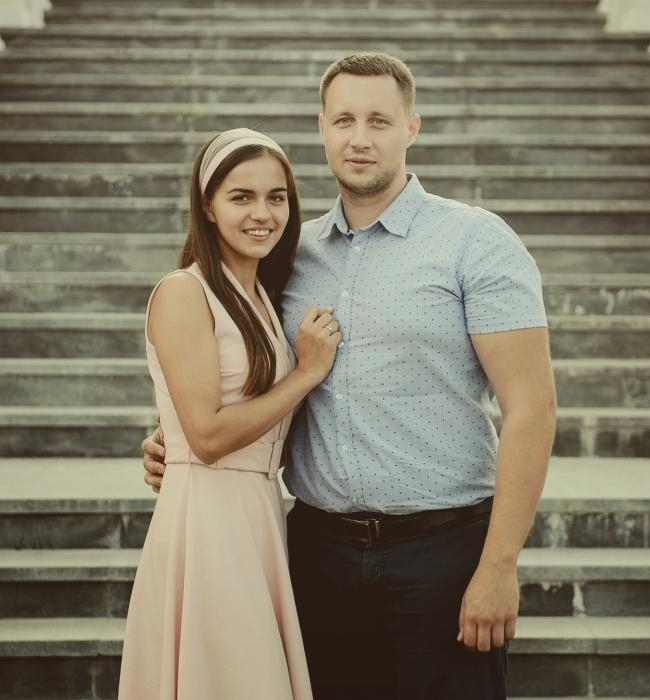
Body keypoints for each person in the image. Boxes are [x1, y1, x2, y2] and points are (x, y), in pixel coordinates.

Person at [143, 53, 557, 700]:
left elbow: (532, 408)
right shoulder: (287, 252)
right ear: (322, 128)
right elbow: (233, 361)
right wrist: (174, 436)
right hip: (317, 556)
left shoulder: (475, 241)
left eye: (378, 121)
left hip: (443, 552)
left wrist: (499, 565)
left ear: (411, 127)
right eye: (343, 120)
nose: (359, 138)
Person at [120, 128, 342, 700]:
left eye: (276, 197)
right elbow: (208, 436)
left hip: (258, 510)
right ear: (208, 205)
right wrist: (307, 373)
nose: (262, 214)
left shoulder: (262, 292)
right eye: (241, 197)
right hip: (208, 517)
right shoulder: (183, 291)